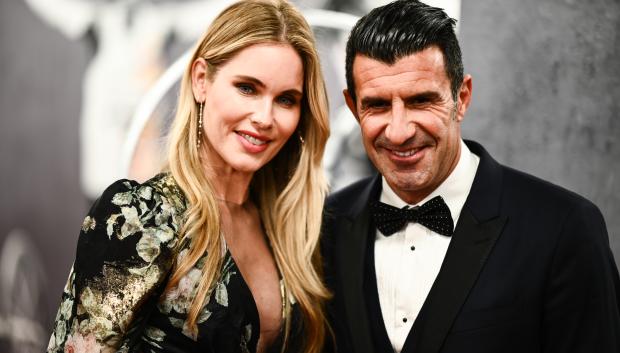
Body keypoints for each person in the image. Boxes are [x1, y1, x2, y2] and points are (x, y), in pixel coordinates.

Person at [321, 1, 620, 353]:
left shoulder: (564, 228)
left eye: (420, 101)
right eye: (378, 105)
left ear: (461, 98)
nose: (399, 131)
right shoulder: (328, 225)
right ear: (354, 107)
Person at [47, 1, 331, 352]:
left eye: (286, 99)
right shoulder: (142, 217)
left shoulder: (289, 227)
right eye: (247, 88)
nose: (264, 116)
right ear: (201, 81)